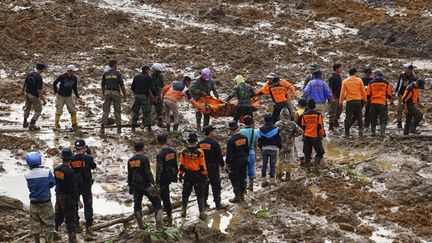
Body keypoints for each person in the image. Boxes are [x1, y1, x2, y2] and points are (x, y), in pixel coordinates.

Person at [127, 141, 163, 229]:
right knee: (157, 202)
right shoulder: (144, 158)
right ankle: (159, 225)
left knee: (137, 205)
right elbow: (148, 172)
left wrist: (130, 187)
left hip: (136, 186)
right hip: (146, 185)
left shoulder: (130, 160)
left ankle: (140, 226)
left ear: (135, 149)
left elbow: (130, 175)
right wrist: (154, 183)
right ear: (143, 148)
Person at [24, 152, 56, 243]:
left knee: (35, 224)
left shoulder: (27, 175)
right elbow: (52, 184)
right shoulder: (47, 172)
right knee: (49, 224)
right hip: (46, 202)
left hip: (33, 203)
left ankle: (37, 241)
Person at [70, 139, 97, 239]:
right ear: (84, 147)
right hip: (86, 185)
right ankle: (88, 227)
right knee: (88, 206)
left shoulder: (71, 158)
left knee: (74, 205)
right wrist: (89, 154)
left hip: (75, 185)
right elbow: (94, 167)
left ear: (75, 148)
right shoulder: (88, 158)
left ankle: (76, 225)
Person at [179, 133, 208, 220]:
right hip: (198, 175)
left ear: (188, 141)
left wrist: (180, 174)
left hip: (188, 175)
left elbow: (182, 164)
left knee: (185, 193)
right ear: (196, 141)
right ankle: (202, 213)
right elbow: (202, 165)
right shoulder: (200, 152)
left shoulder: (184, 151)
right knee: (200, 194)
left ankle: (183, 211)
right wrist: (205, 175)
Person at [198, 126, 227, 209]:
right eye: (213, 131)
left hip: (202, 167)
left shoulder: (200, 144)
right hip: (213, 167)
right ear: (210, 132)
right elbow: (219, 156)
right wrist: (223, 165)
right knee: (215, 185)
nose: (214, 133)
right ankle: (218, 204)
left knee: (204, 185)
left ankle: (204, 204)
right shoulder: (215, 143)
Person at [54, 148, 79, 243]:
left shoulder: (56, 169)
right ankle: (72, 239)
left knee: (58, 215)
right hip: (68, 198)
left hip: (59, 195)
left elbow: (56, 182)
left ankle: (54, 233)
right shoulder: (71, 171)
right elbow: (73, 188)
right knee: (70, 218)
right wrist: (78, 200)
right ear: (71, 158)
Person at [155, 134, 178, 226]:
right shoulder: (172, 150)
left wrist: (157, 181)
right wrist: (175, 175)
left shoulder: (160, 154)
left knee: (163, 198)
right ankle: (169, 216)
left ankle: (166, 218)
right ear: (166, 140)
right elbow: (176, 164)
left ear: (158, 141)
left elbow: (159, 169)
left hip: (163, 178)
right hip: (170, 175)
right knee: (166, 197)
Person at [275, 108, 303, 181]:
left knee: (280, 160)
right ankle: (288, 176)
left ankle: (279, 175)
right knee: (289, 160)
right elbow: (300, 131)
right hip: (290, 145)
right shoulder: (293, 124)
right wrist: (293, 135)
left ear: (281, 115)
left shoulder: (277, 124)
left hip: (280, 145)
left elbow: (274, 134)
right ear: (289, 115)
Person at [339, 68, 367, 138]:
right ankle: (361, 132)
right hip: (358, 100)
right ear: (355, 73)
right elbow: (363, 91)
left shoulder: (345, 81)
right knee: (359, 116)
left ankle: (347, 134)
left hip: (350, 101)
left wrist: (341, 101)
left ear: (349, 73)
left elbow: (342, 93)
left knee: (348, 117)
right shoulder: (359, 80)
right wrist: (365, 99)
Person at [100, 60, 127, 134]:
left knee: (105, 111)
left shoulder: (105, 73)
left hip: (107, 92)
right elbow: (121, 85)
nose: (117, 66)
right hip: (116, 93)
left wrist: (103, 94)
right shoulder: (118, 73)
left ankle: (102, 128)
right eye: (116, 64)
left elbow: (102, 85)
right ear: (114, 65)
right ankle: (119, 129)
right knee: (117, 111)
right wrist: (124, 95)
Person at [225, 121, 249, 204]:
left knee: (235, 179)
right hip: (244, 160)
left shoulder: (231, 140)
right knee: (242, 177)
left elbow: (229, 154)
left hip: (235, 162)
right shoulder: (244, 138)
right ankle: (242, 196)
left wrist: (227, 164)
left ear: (230, 130)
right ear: (237, 128)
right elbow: (247, 149)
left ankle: (237, 197)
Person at [53, 65, 81, 131]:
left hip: (69, 96)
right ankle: (56, 124)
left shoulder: (74, 78)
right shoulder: (62, 77)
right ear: (69, 71)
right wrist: (55, 91)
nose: (74, 72)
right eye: (73, 71)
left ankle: (74, 123)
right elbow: (54, 83)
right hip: (61, 96)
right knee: (59, 109)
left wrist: (77, 96)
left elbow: (75, 88)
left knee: (72, 110)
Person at [366, 69, 393, 137]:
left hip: (373, 103)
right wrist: (391, 102)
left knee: (373, 118)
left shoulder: (371, 83)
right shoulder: (386, 83)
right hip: (382, 103)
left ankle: (373, 132)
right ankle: (382, 133)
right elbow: (389, 94)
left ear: (375, 75)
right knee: (383, 119)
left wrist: (367, 102)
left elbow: (368, 94)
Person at [301, 100, 326, 169]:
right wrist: (323, 134)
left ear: (308, 106)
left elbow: (303, 126)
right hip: (315, 137)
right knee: (320, 152)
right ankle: (316, 164)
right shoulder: (318, 114)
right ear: (314, 106)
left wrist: (303, 136)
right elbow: (320, 125)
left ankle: (307, 165)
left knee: (307, 153)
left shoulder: (304, 115)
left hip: (306, 136)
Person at [258, 114, 282, 186]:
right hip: (273, 149)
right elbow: (278, 139)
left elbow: (259, 140)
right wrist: (279, 146)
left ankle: (263, 180)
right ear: (272, 120)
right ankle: (272, 180)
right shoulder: (276, 129)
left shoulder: (261, 129)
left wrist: (261, 147)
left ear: (265, 120)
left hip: (265, 148)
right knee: (272, 165)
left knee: (264, 165)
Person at [131, 65, 156, 133]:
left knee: (135, 112)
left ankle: (133, 128)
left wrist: (136, 93)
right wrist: (154, 96)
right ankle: (149, 128)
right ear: (147, 70)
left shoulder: (136, 76)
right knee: (147, 112)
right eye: (149, 70)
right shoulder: (149, 78)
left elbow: (132, 87)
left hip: (136, 95)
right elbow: (151, 88)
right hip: (144, 96)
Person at [22, 63, 47, 131]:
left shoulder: (30, 74)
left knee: (27, 107)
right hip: (33, 95)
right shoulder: (39, 77)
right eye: (43, 69)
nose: (43, 70)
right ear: (41, 69)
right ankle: (32, 124)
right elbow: (39, 91)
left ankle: (25, 122)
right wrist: (43, 100)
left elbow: (25, 83)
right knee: (38, 110)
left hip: (27, 93)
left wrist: (22, 91)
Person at [239, 116, 259, 191]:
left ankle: (244, 187)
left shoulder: (241, 132)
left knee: (244, 170)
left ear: (244, 122)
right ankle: (251, 185)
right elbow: (255, 144)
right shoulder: (255, 132)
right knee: (251, 169)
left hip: (243, 154)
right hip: (252, 153)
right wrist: (256, 154)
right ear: (252, 122)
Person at [395, 64, 417, 128]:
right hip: (400, 94)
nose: (404, 69)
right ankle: (399, 122)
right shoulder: (402, 75)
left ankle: (407, 123)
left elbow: (415, 88)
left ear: (410, 70)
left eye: (406, 68)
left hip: (408, 96)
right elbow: (398, 83)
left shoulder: (413, 77)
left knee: (407, 109)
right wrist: (395, 91)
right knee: (399, 109)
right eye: (404, 68)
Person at [151, 63, 167, 127]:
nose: (159, 73)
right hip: (151, 95)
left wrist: (162, 94)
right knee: (147, 109)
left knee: (159, 109)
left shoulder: (160, 77)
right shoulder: (151, 77)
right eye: (158, 72)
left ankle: (160, 122)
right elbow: (150, 88)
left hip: (158, 94)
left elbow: (163, 86)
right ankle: (146, 123)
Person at [328, 63, 343, 130]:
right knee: (333, 111)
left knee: (339, 110)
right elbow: (330, 87)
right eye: (340, 68)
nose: (341, 69)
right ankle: (331, 125)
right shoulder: (332, 77)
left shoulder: (339, 76)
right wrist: (332, 97)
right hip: (334, 96)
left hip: (340, 96)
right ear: (336, 68)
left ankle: (335, 121)